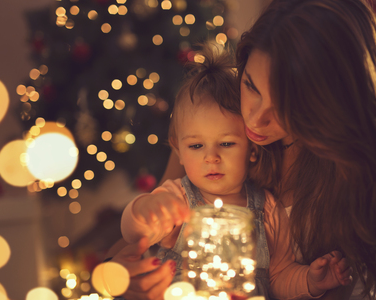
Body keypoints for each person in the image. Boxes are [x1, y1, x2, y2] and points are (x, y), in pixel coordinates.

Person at [107, 0, 376, 299]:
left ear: (329, 108)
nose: (254, 118)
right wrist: (122, 277)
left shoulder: (346, 178)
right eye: (251, 86)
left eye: (286, 106)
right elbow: (126, 247)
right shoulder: (210, 127)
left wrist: (312, 279)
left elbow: (303, 281)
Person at [120, 44, 353, 300]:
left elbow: (279, 276)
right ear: (179, 152)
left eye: (227, 143)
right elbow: (136, 233)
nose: (212, 157)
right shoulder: (177, 199)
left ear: (252, 150)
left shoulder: (269, 210)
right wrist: (144, 209)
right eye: (196, 146)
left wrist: (311, 281)